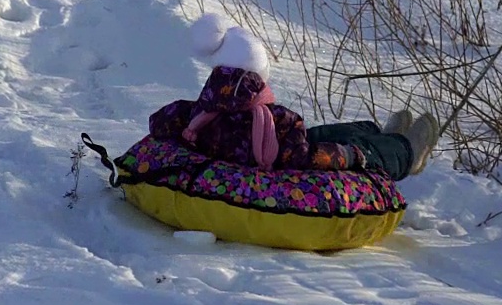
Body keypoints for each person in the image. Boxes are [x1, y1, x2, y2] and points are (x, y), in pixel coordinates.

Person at [148, 13, 439, 181]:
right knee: (351, 149)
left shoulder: (201, 111)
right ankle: (403, 152)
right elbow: (301, 156)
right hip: (280, 159)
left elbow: (159, 121)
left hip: (267, 146)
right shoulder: (275, 118)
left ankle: (377, 134)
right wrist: (350, 156)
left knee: (320, 133)